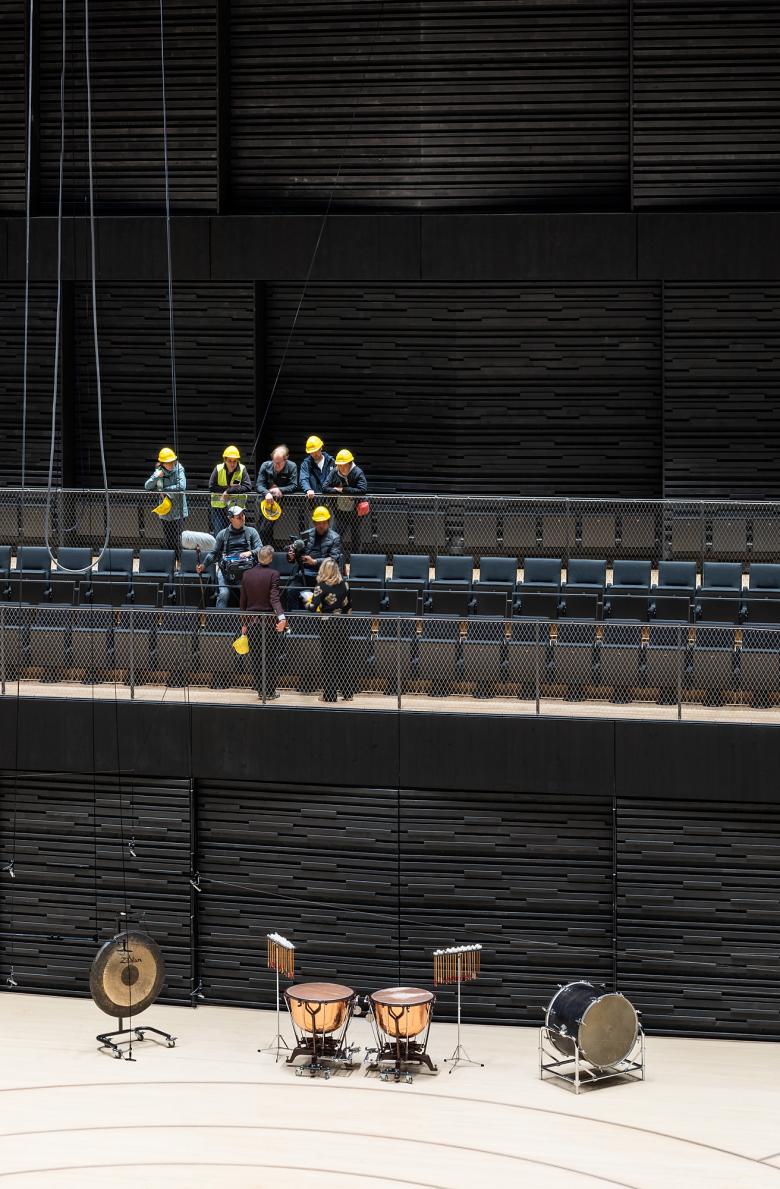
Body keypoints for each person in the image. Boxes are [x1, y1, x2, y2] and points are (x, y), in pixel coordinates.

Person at [240, 544, 287, 700]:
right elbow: (274, 599)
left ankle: (261, 690)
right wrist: (281, 617)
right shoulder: (274, 574)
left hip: (252, 622)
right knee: (271, 658)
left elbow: (243, 602)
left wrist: (244, 623)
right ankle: (270, 691)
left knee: (256, 658)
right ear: (271, 558)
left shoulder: (247, 574)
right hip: (268, 623)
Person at [197, 506, 262, 608]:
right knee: (224, 594)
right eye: (238, 517)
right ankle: (220, 621)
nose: (242, 518)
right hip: (226, 571)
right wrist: (204, 565)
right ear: (231, 519)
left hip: (245, 570)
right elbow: (213, 553)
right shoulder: (223, 534)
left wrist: (250, 552)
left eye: (243, 515)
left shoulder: (251, 531)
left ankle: (248, 621)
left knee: (248, 594)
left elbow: (260, 549)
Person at [309, 557, 353, 702]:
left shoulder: (321, 586)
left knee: (329, 660)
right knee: (343, 659)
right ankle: (347, 693)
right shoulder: (345, 585)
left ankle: (330, 695)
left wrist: (306, 601)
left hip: (327, 625)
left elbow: (312, 608)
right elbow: (348, 606)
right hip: (342, 624)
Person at [286, 505, 343, 608]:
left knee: (327, 593)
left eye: (324, 523)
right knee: (291, 591)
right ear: (314, 523)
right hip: (305, 573)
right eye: (318, 523)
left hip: (324, 575)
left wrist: (315, 562)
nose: (321, 525)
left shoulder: (335, 538)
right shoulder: (306, 535)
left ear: (328, 522)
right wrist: (292, 556)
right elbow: (297, 555)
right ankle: (294, 621)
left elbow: (333, 559)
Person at [324, 449, 368, 560]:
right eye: (339, 465)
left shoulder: (357, 472)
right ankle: (335, 560)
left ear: (349, 463)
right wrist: (336, 490)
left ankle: (357, 561)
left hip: (355, 514)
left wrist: (344, 490)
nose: (341, 468)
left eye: (343, 465)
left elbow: (362, 490)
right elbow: (324, 488)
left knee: (357, 538)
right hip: (340, 512)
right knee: (335, 537)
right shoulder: (334, 472)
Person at [144, 447, 188, 556]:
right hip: (165, 511)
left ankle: (179, 562)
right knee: (168, 539)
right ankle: (171, 562)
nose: (171, 464)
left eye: (172, 461)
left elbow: (182, 486)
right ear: (162, 463)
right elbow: (147, 486)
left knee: (177, 538)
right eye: (168, 462)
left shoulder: (179, 468)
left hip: (179, 510)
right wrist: (155, 477)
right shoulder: (159, 471)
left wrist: (165, 491)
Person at [256, 445, 299, 545]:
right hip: (263, 500)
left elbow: (293, 486)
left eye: (279, 463)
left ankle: (266, 550)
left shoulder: (292, 466)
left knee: (265, 528)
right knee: (261, 528)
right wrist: (267, 493)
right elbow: (258, 485)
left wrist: (279, 489)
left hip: (280, 502)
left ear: (286, 459)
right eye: (274, 462)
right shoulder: (265, 465)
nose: (276, 465)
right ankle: (265, 550)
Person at [208, 446, 252, 535]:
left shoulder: (242, 469)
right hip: (218, 508)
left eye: (235, 461)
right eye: (229, 461)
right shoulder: (218, 468)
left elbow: (248, 486)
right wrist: (229, 488)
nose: (232, 464)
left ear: (238, 461)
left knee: (237, 534)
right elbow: (211, 486)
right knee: (220, 534)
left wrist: (229, 491)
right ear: (225, 460)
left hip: (237, 508)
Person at [298, 435, 335, 501]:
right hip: (313, 501)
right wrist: (308, 489)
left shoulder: (331, 461)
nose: (314, 454)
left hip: (330, 501)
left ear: (321, 448)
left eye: (316, 451)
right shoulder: (306, 464)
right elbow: (303, 479)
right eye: (311, 452)